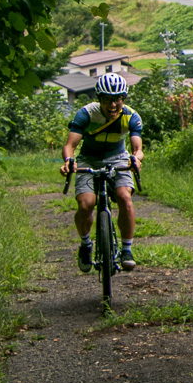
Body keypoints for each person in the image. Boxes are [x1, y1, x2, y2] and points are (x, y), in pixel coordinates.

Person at [60, 73, 144, 273]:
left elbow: (137, 148)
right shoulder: (86, 114)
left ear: (123, 99)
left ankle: (127, 249)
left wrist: (136, 160)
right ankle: (86, 244)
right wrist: (68, 161)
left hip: (118, 158)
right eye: (107, 99)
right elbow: (70, 145)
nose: (113, 105)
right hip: (88, 159)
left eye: (117, 99)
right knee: (86, 203)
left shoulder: (131, 116)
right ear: (99, 99)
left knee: (124, 197)